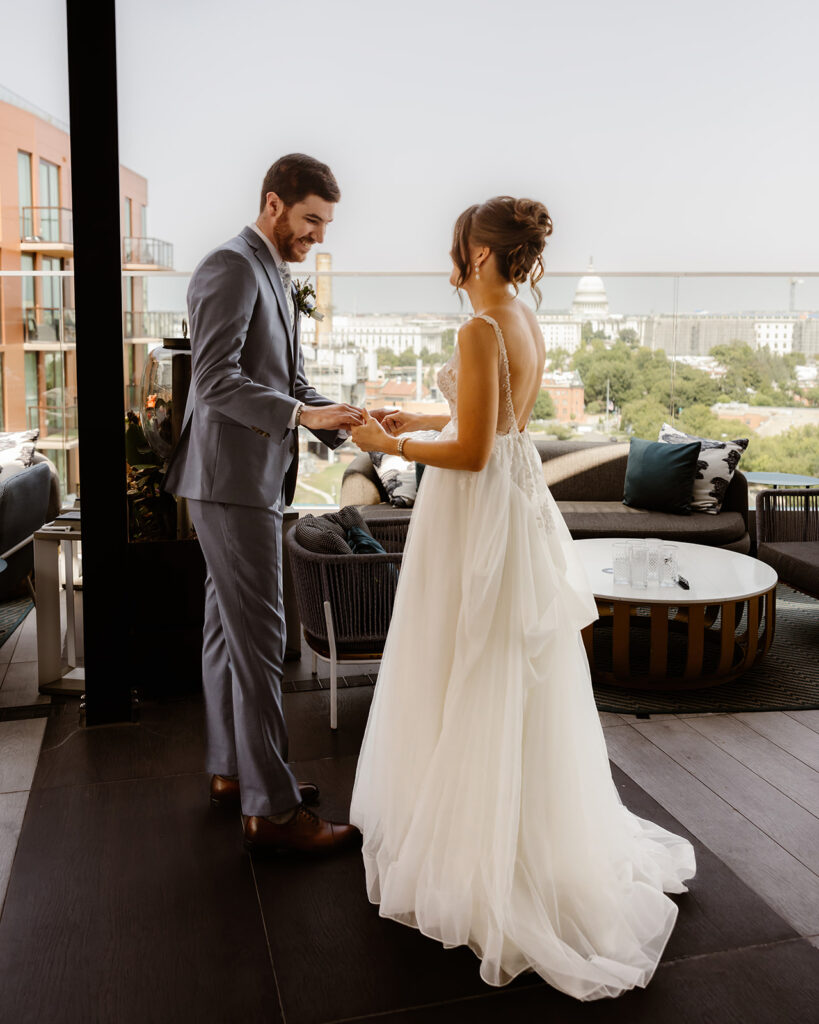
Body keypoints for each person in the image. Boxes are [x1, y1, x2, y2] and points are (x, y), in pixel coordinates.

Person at [348, 197, 696, 1000]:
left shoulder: (477, 326)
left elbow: (469, 450)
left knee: (465, 658)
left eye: (459, 243)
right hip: (513, 500)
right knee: (508, 663)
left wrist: (386, 441)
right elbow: (496, 421)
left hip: (472, 509)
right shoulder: (522, 317)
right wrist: (425, 413)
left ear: (476, 251)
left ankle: (478, 854)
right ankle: (515, 830)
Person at [164, 154, 364, 854]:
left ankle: (232, 774)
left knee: (227, 632)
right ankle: (273, 810)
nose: (317, 236)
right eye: (311, 219)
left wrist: (337, 414)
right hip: (229, 479)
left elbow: (287, 378)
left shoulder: (271, 271)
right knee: (259, 641)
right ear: (273, 203)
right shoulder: (228, 265)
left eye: (325, 224)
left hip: (246, 476)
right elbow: (215, 383)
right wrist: (302, 420)